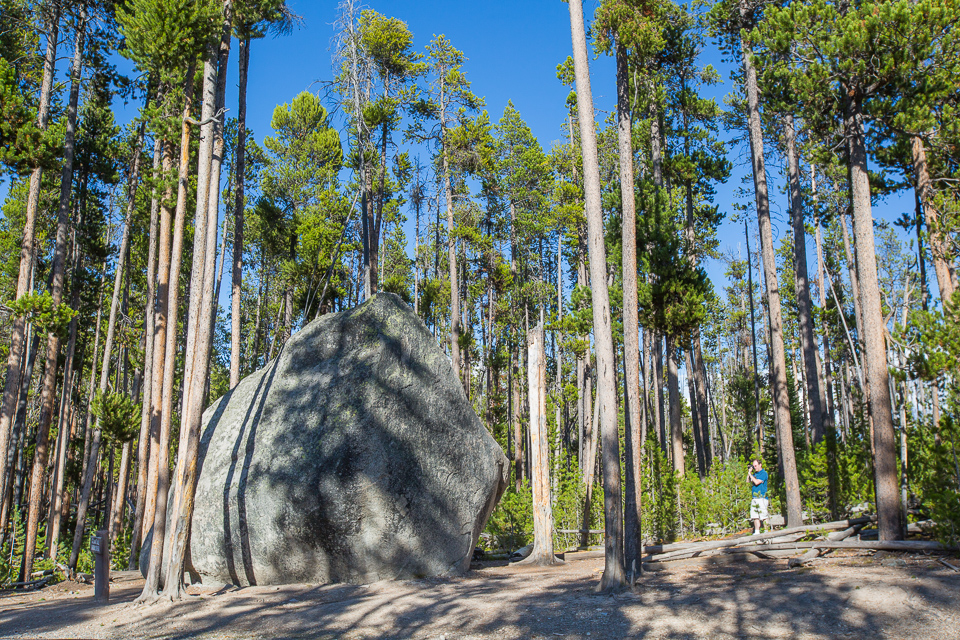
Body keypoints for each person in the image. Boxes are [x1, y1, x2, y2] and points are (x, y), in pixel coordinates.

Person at [747, 458, 769, 534]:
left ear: (760, 465)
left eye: (755, 466)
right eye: (753, 466)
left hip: (762, 498)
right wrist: (749, 473)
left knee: (764, 516)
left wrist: (750, 475)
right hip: (754, 498)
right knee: (755, 516)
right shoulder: (755, 474)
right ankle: (757, 531)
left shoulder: (764, 473)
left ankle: (766, 531)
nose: (754, 467)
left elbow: (756, 482)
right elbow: (748, 481)